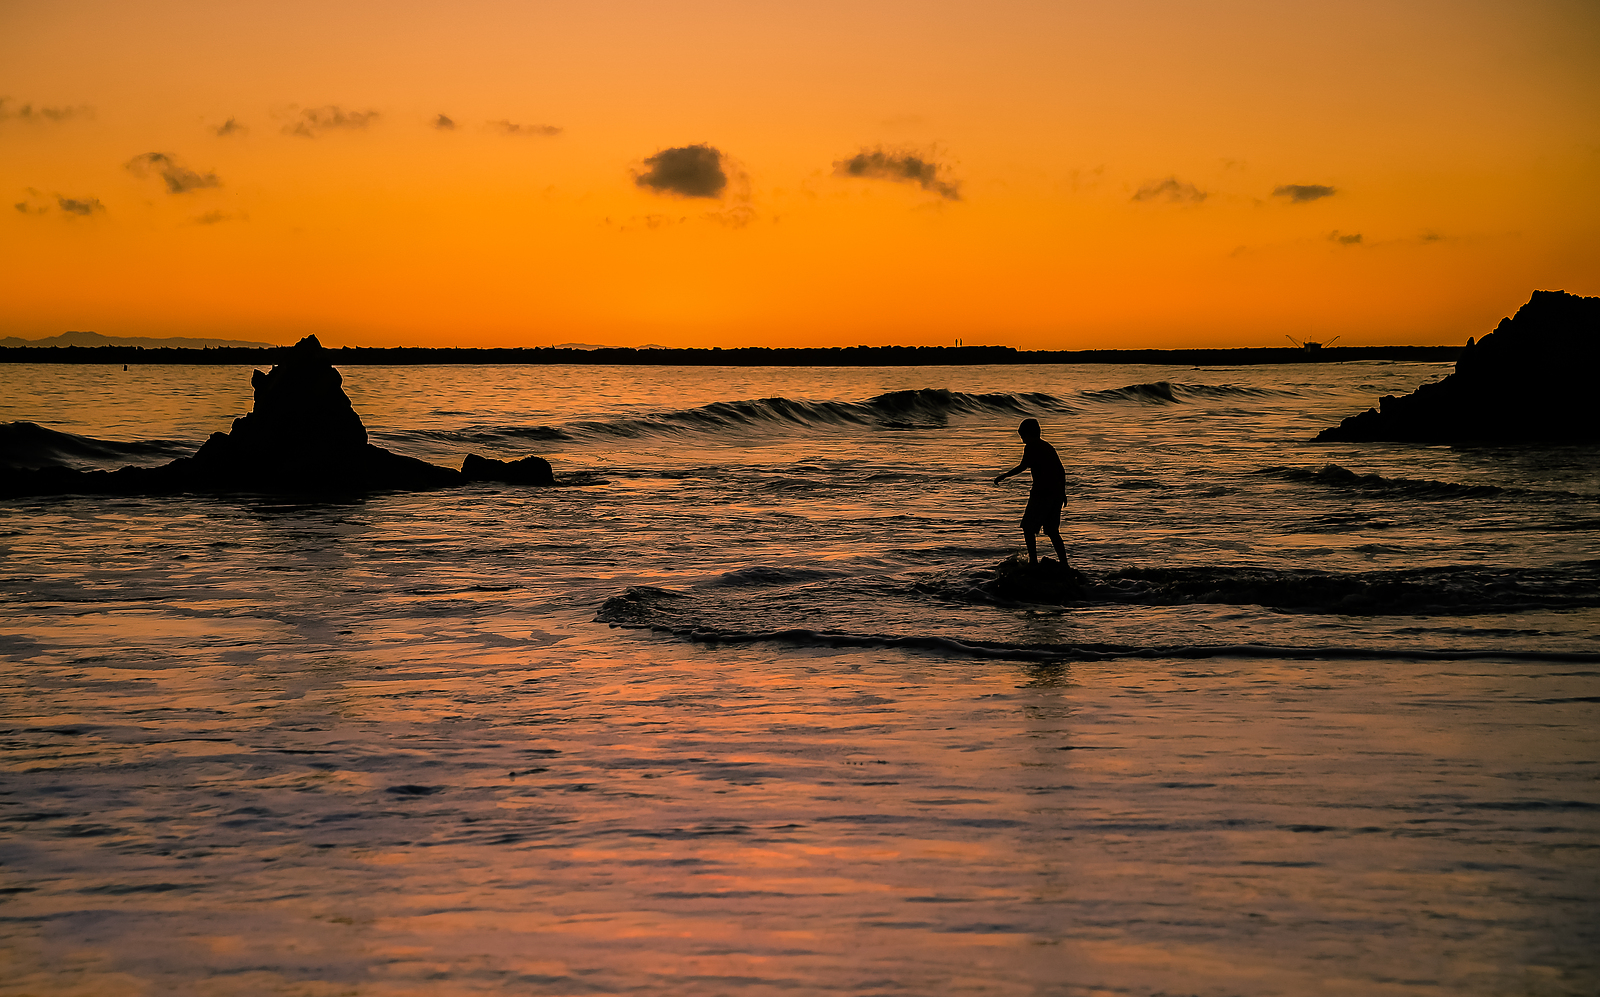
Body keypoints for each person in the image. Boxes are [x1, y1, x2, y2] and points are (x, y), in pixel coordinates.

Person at [993, 418, 1068, 566]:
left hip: (1042, 493)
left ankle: (1033, 562)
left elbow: (1023, 466)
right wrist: (1063, 492)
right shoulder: (1048, 447)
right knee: (1052, 531)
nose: (1022, 440)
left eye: (1022, 436)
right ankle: (1064, 564)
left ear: (1028, 434)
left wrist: (1003, 476)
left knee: (1028, 528)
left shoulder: (1032, 446)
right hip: (1056, 493)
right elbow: (1061, 470)